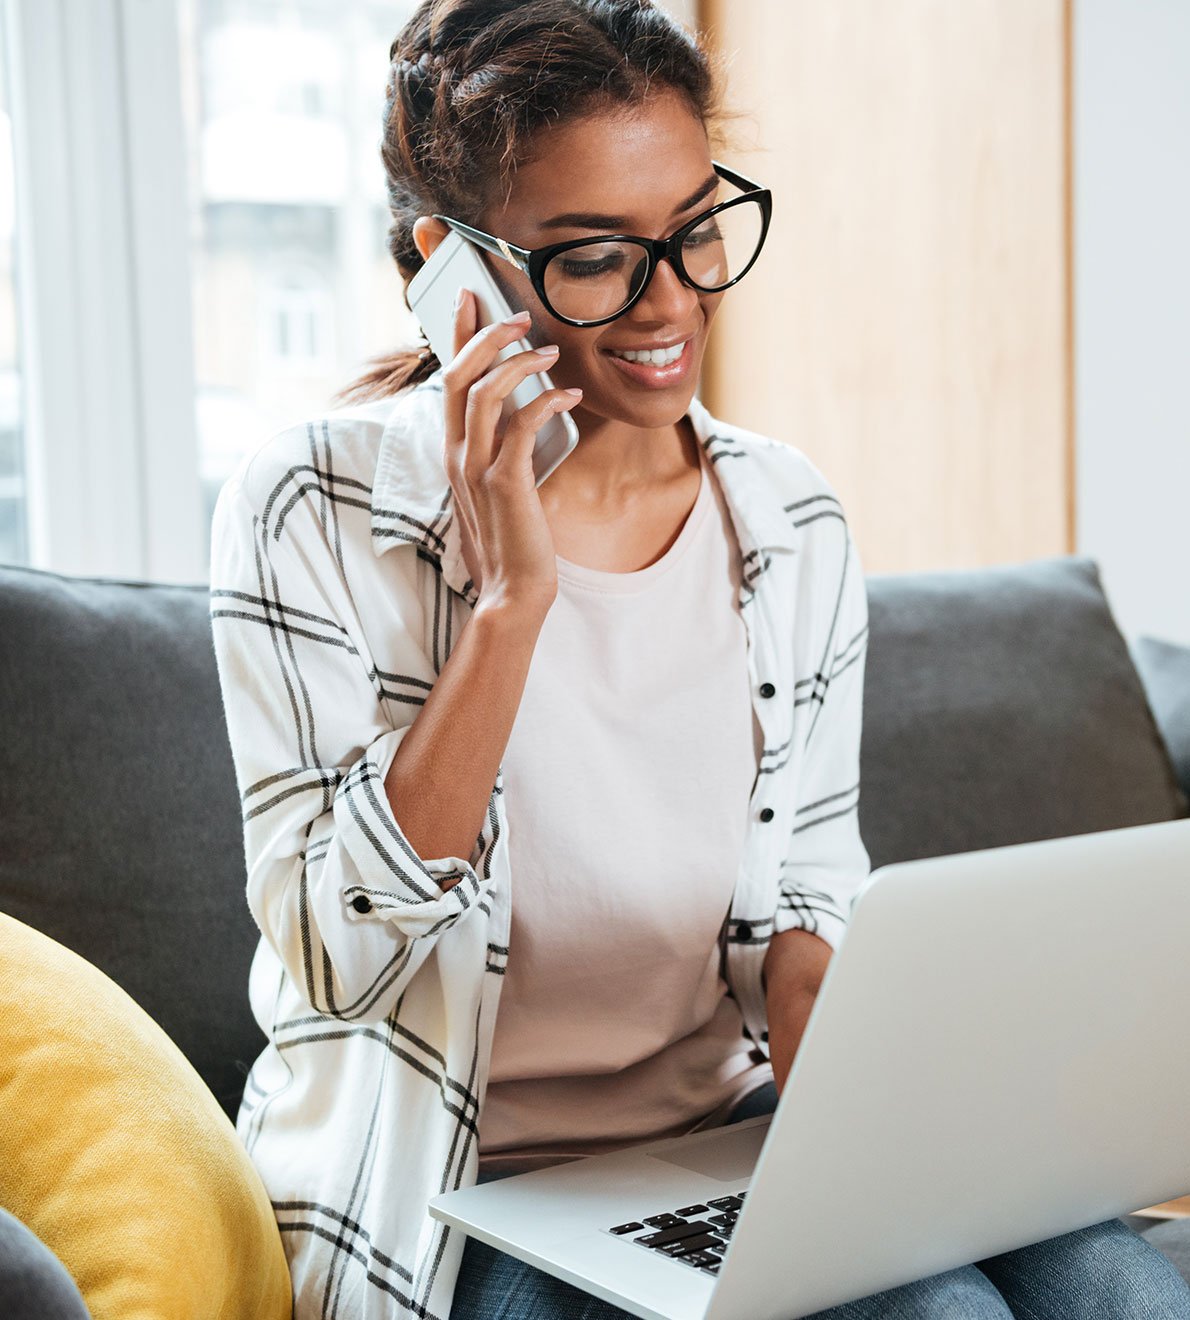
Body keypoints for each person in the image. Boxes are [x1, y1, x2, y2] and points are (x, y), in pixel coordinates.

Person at [206, 1, 1190, 1317]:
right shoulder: (306, 514)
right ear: (453, 268)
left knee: (1129, 1294)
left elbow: (812, 869)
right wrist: (507, 609)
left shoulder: (789, 518)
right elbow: (338, 964)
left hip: (739, 1138)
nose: (672, 300)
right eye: (597, 256)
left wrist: (815, 967)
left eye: (695, 227)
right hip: (465, 1191)